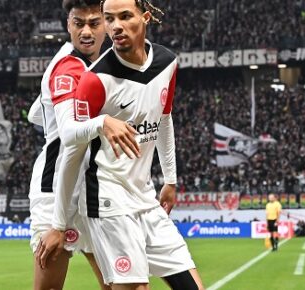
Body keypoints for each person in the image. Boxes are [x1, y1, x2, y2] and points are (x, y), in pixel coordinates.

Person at [39, 0, 204, 289]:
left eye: (125, 16)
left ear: (146, 17)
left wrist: (171, 180)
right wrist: (59, 224)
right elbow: (71, 152)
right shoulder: (94, 80)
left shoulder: (167, 62)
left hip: (145, 196)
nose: (116, 26)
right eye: (110, 18)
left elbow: (164, 118)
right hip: (107, 198)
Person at [26, 1, 134, 289]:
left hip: (89, 189)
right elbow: (69, 131)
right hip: (55, 192)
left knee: (123, 283)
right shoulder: (67, 67)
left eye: (94, 23)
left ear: (106, 25)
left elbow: (34, 113)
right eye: (78, 23)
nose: (86, 31)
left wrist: (51, 107)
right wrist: (102, 123)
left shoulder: (98, 66)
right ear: (68, 24)